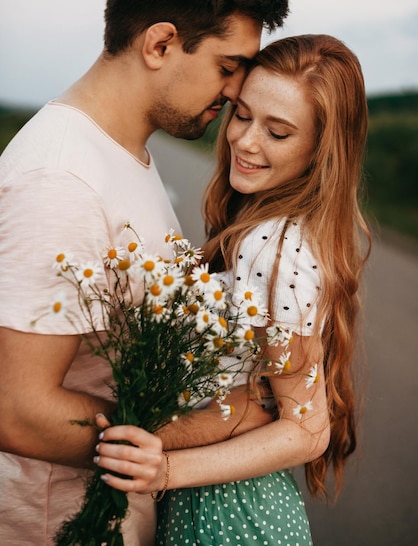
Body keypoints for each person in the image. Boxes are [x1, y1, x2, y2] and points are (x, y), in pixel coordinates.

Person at [0, 0, 289, 545]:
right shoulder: (60, 179)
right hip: (60, 524)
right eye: (228, 66)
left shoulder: (120, 152)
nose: (236, 90)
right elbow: (18, 412)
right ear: (161, 42)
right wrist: (205, 430)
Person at [94, 34, 372, 545]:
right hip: (229, 499)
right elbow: (253, 387)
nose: (245, 141)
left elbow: (308, 429)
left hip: (232, 516)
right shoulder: (269, 227)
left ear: (320, 149)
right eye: (242, 115)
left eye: (279, 132)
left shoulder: (274, 246)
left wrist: (165, 472)